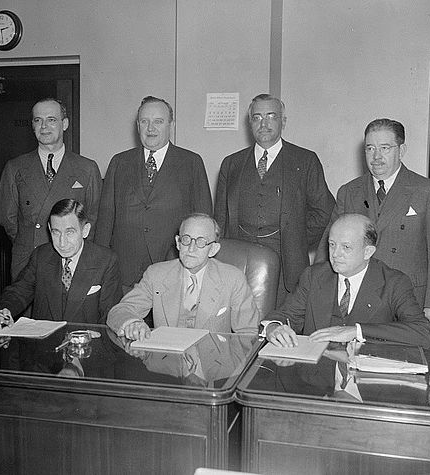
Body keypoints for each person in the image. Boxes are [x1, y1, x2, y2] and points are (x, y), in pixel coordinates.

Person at [315, 119, 430, 331]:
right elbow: (329, 244)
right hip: (360, 298)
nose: (376, 157)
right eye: (370, 148)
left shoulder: (427, 191)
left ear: (402, 150)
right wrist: (316, 292)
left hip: (408, 300)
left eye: (385, 148)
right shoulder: (349, 191)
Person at [214, 94, 335, 306]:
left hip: (287, 268)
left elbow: (324, 212)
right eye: (257, 117)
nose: (264, 124)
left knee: (281, 327)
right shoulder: (232, 164)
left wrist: (295, 237)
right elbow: (220, 218)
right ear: (249, 122)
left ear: (283, 121)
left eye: (271, 116)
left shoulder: (305, 161)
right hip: (239, 263)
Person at [263, 213, 430, 349]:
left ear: (368, 252)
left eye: (346, 247)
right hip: (317, 378)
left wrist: (356, 331)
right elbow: (284, 316)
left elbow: (423, 332)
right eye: (331, 244)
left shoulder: (394, 282)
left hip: (366, 381)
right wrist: (273, 328)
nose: (335, 254)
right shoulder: (313, 276)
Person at [95, 96, 212, 293]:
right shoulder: (119, 162)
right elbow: (106, 220)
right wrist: (99, 266)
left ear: (170, 125)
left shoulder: (191, 163)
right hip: (124, 273)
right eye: (144, 122)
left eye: (158, 121)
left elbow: (204, 220)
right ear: (137, 126)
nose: (151, 128)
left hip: (174, 269)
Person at [106, 213, 259, 340]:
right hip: (166, 365)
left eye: (201, 242)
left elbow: (248, 333)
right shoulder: (156, 274)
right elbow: (119, 311)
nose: (191, 248)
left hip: (212, 368)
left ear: (213, 249)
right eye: (186, 239)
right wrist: (132, 323)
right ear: (178, 243)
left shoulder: (233, 279)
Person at [0, 98, 102, 279]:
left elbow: (94, 218)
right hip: (29, 261)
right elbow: (9, 220)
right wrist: (30, 242)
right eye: (38, 120)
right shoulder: (15, 168)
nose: (44, 126)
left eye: (51, 120)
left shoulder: (87, 168)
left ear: (65, 124)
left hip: (72, 260)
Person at [0, 199, 122, 330]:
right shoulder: (41, 256)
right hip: (45, 347)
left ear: (85, 230)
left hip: (86, 347)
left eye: (70, 232)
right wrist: (4, 309)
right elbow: (19, 291)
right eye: (56, 233)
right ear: (50, 229)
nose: (62, 243)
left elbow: (111, 314)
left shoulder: (106, 260)